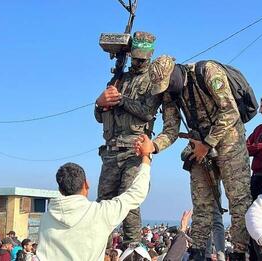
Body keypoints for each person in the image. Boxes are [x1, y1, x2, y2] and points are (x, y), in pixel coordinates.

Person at [147, 55, 252, 260]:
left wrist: (208, 143)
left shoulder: (208, 71)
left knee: (239, 200)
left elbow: (230, 112)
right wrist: (153, 146)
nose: (166, 89)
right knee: (202, 204)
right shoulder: (170, 92)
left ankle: (240, 252)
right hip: (199, 144)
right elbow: (170, 129)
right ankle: (197, 252)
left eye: (168, 84)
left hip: (229, 140)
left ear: (175, 74)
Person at [36, 134, 153, 261]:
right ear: (86, 184)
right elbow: (136, 193)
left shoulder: (46, 220)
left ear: (60, 189)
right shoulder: (100, 213)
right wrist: (146, 156)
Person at [94, 31, 161, 247]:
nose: (139, 62)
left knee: (130, 200)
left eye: (143, 58)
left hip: (134, 149)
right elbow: (99, 116)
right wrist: (100, 102)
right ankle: (100, 249)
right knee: (104, 202)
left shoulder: (153, 80)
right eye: (136, 57)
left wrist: (122, 100)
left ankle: (132, 249)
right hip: (111, 150)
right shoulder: (118, 78)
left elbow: (148, 112)